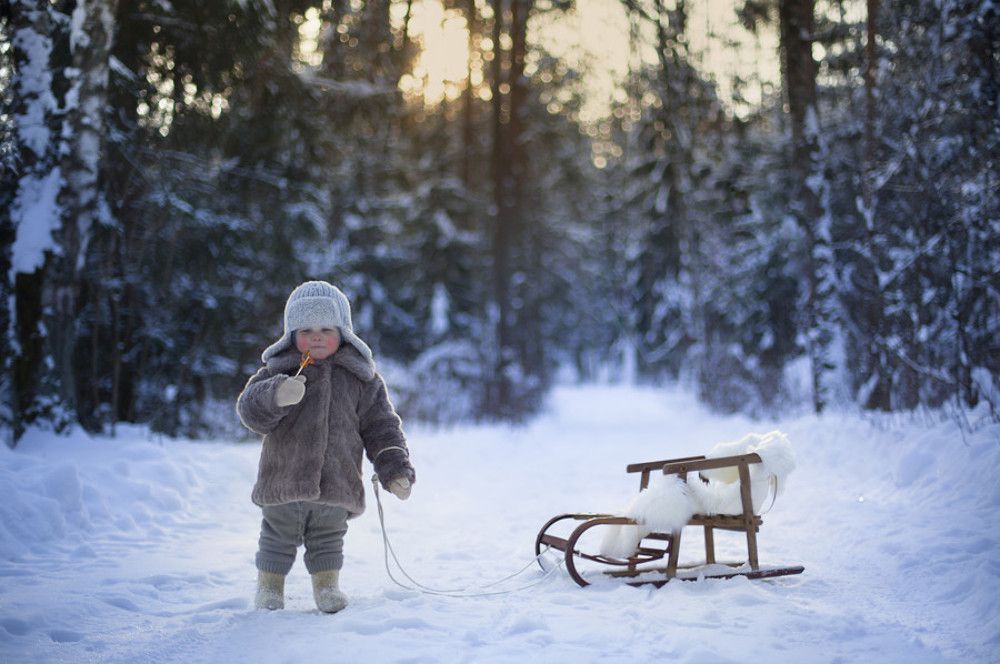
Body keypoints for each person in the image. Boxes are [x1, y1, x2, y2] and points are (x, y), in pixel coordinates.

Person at [236, 280, 415, 613]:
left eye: (325, 328)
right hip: (283, 479)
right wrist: (276, 395)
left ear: (344, 333)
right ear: (291, 335)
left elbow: (382, 427)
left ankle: (327, 587)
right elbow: (249, 410)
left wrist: (394, 470)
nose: (315, 336)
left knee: (329, 538)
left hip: (337, 481)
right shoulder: (277, 371)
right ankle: (270, 588)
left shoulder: (361, 379)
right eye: (305, 329)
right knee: (277, 536)